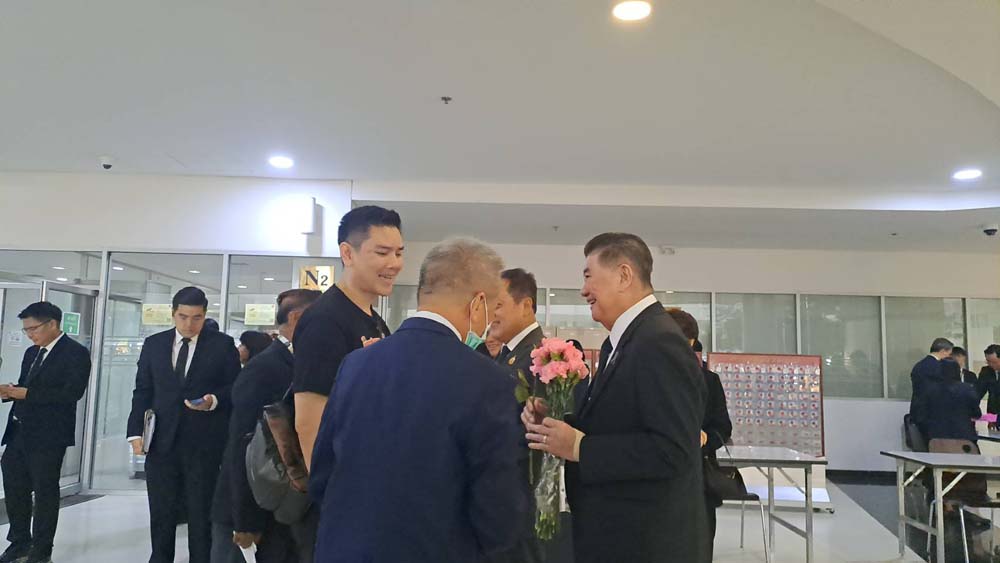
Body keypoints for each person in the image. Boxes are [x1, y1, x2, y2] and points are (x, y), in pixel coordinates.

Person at [309, 238, 526, 562]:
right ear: (478, 303)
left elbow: (322, 474)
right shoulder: (487, 381)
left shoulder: (355, 364)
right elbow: (498, 510)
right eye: (493, 309)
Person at [522, 232, 709, 563]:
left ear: (624, 276)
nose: (583, 290)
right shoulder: (622, 342)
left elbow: (673, 450)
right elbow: (619, 422)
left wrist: (579, 447)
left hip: (646, 542)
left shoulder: (659, 343)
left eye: (588, 276)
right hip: (617, 533)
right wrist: (556, 421)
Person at [292, 205, 403, 561]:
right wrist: (336, 500)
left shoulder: (373, 319)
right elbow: (309, 422)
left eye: (399, 253)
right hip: (345, 500)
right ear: (348, 253)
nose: (394, 264)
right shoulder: (326, 320)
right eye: (382, 253)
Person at [126, 286, 242, 563]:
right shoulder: (154, 344)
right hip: (161, 441)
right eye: (183, 317)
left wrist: (213, 400)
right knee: (161, 511)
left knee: (200, 514)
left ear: (205, 315)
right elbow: (143, 390)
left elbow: (235, 387)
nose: (189, 324)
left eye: (197, 317)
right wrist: (134, 432)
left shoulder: (222, 345)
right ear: (173, 314)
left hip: (203, 443)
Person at [211, 289, 322, 563]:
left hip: (285, 507)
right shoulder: (264, 368)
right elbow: (242, 443)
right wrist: (246, 521)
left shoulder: (304, 363)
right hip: (256, 511)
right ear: (297, 318)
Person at [0, 302, 90, 563]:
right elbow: (27, 387)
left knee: (44, 492)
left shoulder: (75, 353)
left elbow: (71, 393)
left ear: (52, 323)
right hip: (19, 431)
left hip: (49, 436)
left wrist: (26, 393)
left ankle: (41, 550)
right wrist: (10, 391)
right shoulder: (32, 353)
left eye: (33, 329)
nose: (30, 334)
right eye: (26, 330)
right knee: (14, 488)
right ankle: (19, 542)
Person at [484, 268, 546, 563]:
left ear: (526, 306)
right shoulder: (509, 354)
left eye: (498, 305)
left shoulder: (540, 356)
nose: (490, 314)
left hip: (520, 495)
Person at [665, 307, 732, 560]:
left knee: (699, 549)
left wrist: (706, 437)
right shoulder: (645, 376)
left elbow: (723, 427)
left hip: (699, 480)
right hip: (658, 481)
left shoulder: (709, 381)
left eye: (687, 345)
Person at [924, 358, 981, 443]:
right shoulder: (967, 389)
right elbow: (976, 413)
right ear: (957, 372)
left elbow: (924, 413)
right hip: (964, 437)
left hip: (936, 438)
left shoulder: (929, 390)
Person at [908, 338, 954, 439]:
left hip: (918, 412)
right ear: (943, 351)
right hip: (934, 415)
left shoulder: (918, 366)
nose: (949, 357)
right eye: (949, 354)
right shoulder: (940, 367)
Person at [978, 344, 1000, 422]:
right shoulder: (986, 371)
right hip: (993, 415)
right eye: (988, 361)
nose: (990, 364)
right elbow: (978, 392)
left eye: (994, 362)